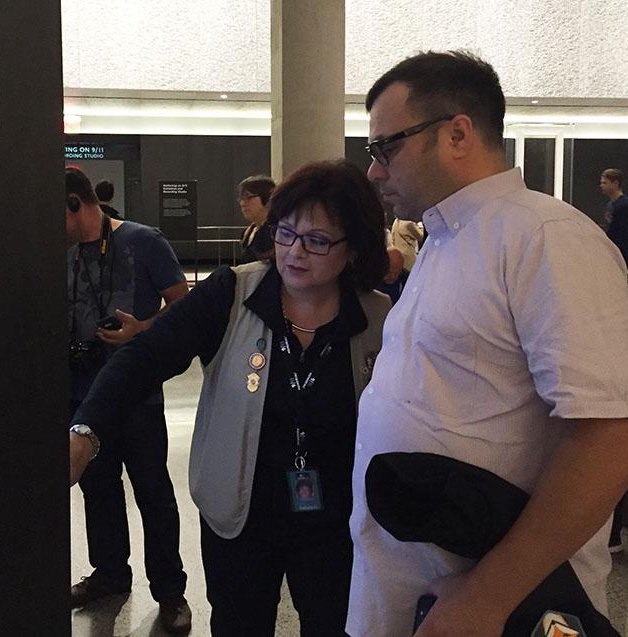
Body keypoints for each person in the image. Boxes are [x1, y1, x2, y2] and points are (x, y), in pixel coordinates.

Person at [351, 51, 628, 636]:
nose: (374, 172)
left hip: (498, 607)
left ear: (457, 133)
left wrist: (484, 601)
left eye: (385, 147)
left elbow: (616, 439)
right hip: (418, 592)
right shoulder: (445, 240)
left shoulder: (547, 238)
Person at [70, 160, 391, 636]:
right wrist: (85, 432)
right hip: (241, 521)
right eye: (284, 233)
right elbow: (144, 358)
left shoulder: (378, 318)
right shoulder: (232, 293)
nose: (294, 252)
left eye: (317, 240)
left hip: (337, 527)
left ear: (355, 247)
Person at [65, 166, 192, 634]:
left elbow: (184, 304)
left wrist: (142, 330)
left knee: (153, 492)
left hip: (137, 394)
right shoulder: (65, 252)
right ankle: (110, 573)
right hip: (82, 394)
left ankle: (171, 592)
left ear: (77, 205)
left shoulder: (143, 241)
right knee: (97, 489)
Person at [599, 168, 628, 267]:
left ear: (615, 183)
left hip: (619, 255)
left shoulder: (625, 206)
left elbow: (624, 235)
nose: (601, 186)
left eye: (605, 183)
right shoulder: (611, 205)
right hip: (611, 252)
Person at [237, 174, 276, 262]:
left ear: (268, 198)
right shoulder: (247, 232)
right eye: (241, 198)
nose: (242, 203)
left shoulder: (275, 232)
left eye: (248, 197)